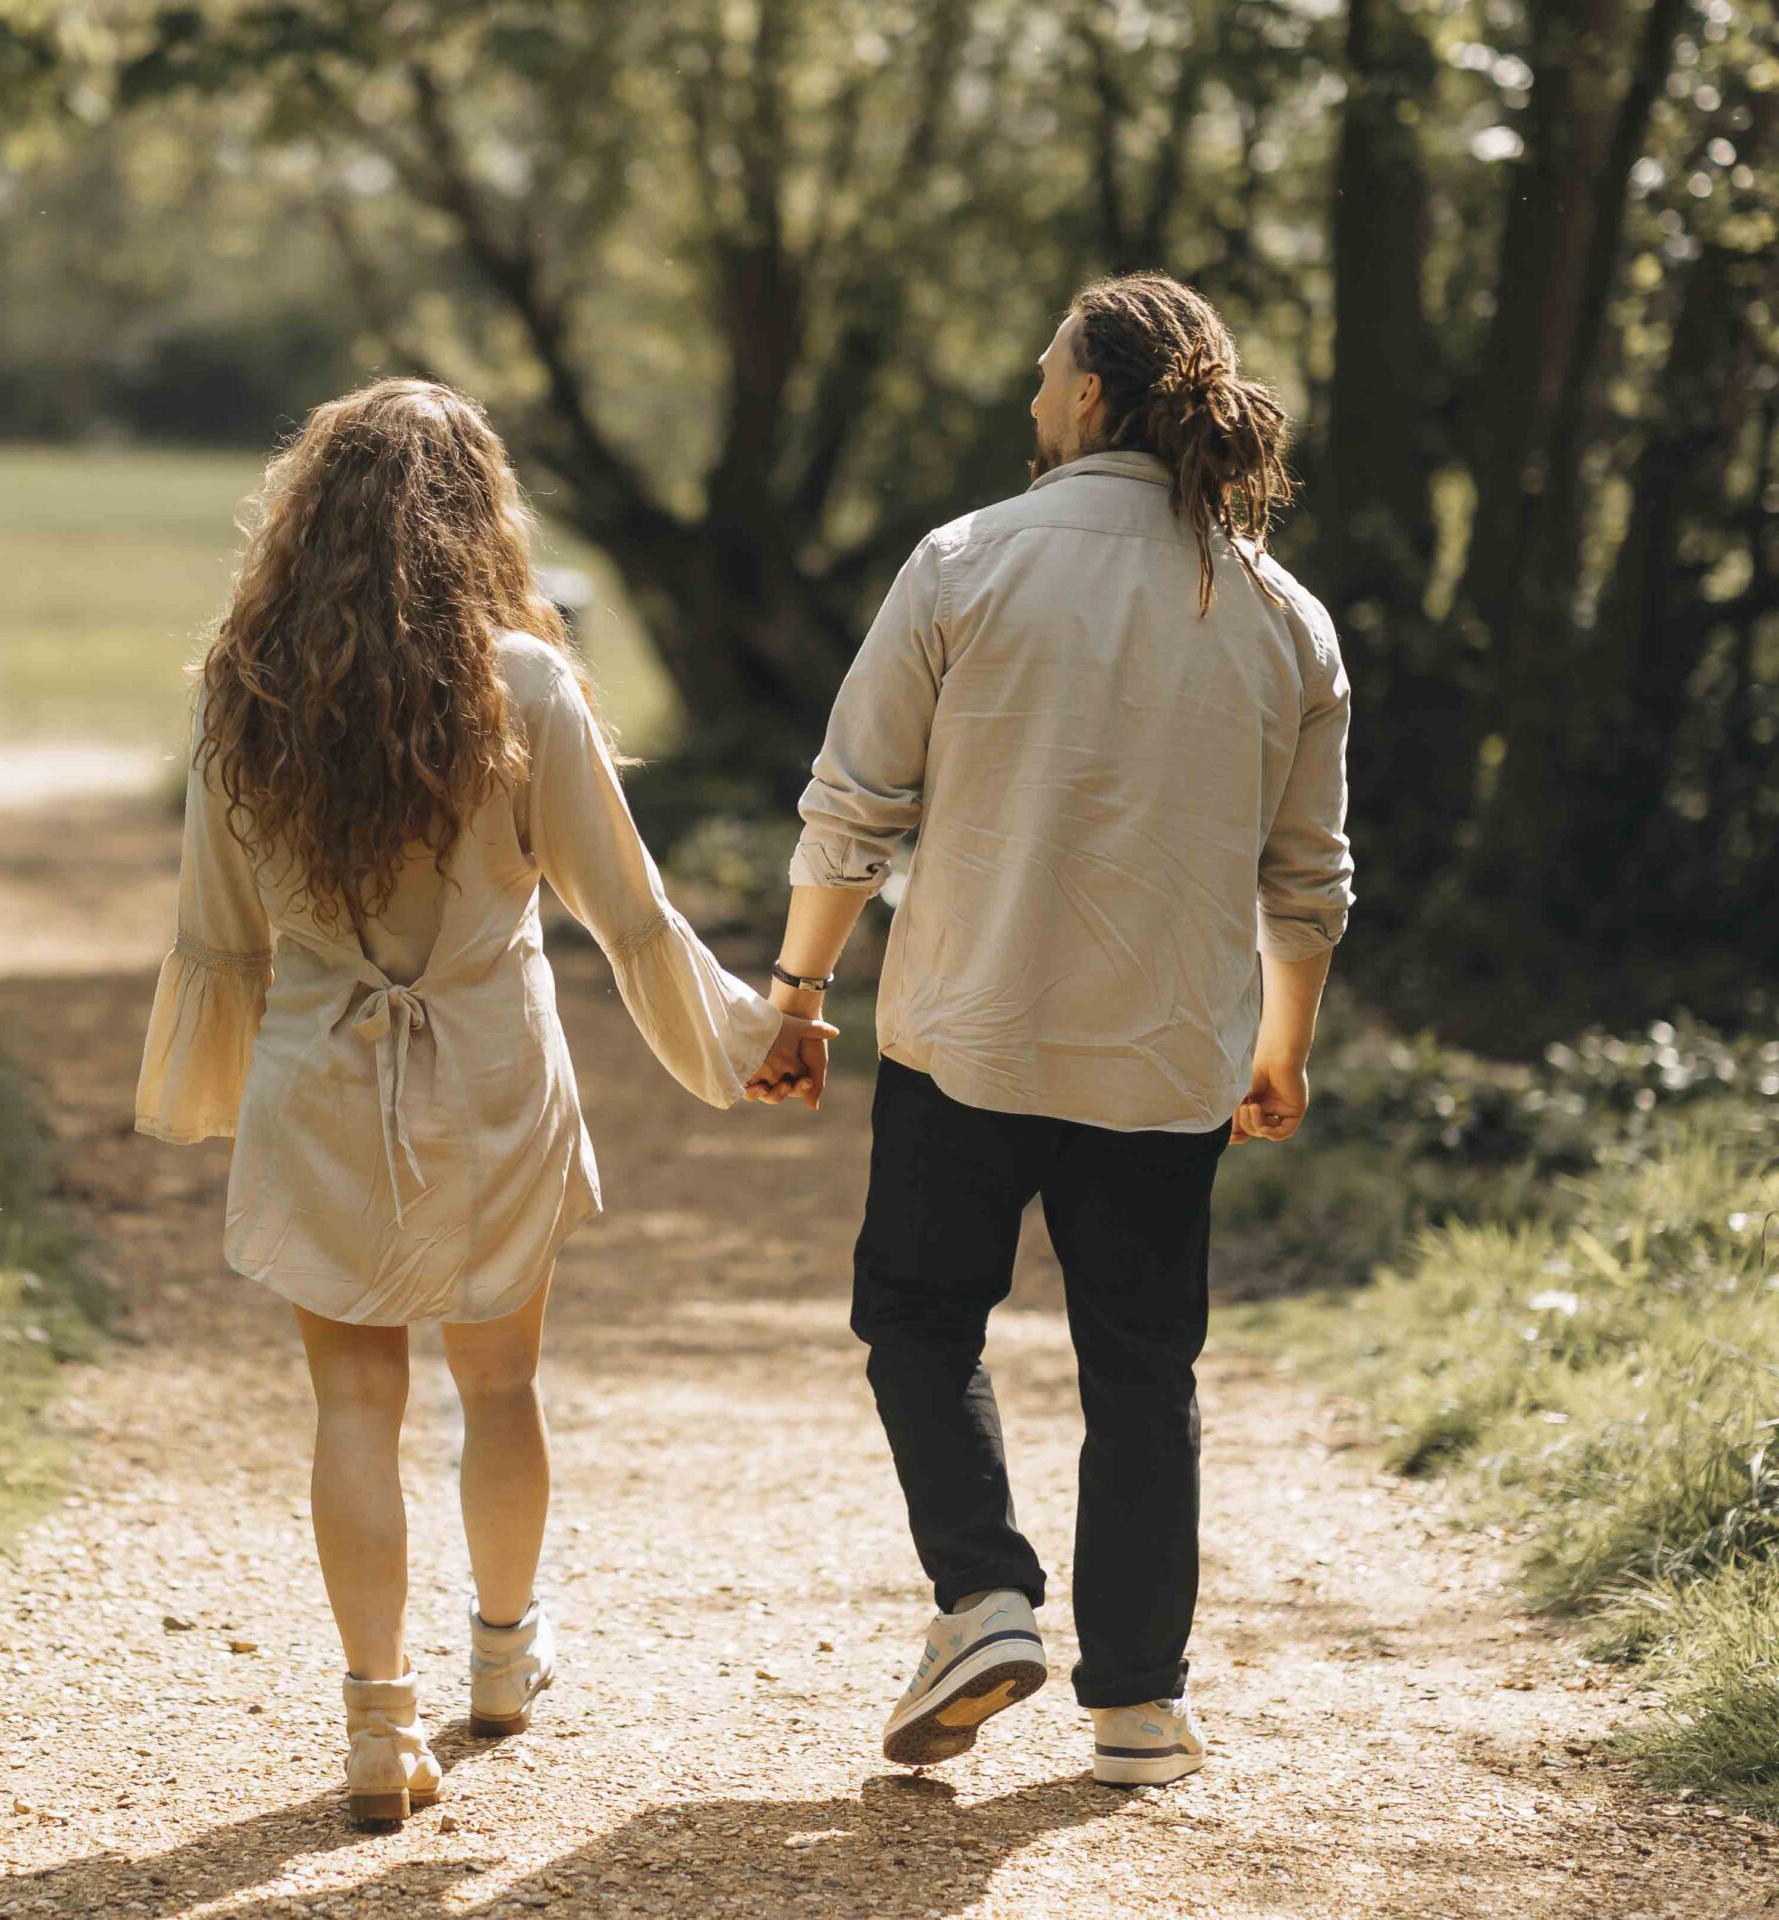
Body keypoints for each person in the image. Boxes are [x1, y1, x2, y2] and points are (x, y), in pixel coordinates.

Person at [134, 379, 827, 1827]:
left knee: (355, 1397)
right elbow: (626, 917)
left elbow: (220, 935)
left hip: (322, 1069)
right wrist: (747, 1038)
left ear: (304, 522)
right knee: (498, 1382)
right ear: (475, 521)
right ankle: (505, 1661)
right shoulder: (526, 683)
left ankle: (377, 1727)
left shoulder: (241, 689)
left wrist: (218, 1087)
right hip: (498, 1078)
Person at [744, 273, 1354, 1787]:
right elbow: (1309, 881)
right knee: (1143, 1369)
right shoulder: (1282, 613)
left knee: (920, 1315)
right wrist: (1282, 1047)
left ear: (1089, 398)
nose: (1030, 397)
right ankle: (1139, 1706)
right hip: (1167, 1061)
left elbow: (854, 806)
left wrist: (803, 994)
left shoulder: (966, 562)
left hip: (973, 1034)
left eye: (1042, 375)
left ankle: (985, 1595)